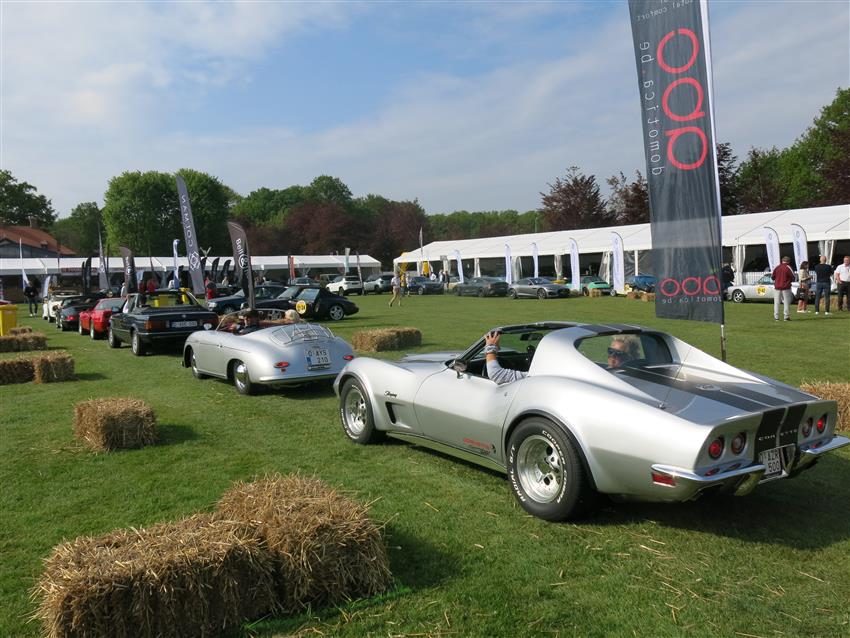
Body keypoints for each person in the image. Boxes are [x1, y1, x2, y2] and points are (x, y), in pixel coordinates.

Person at [771, 256, 795, 322]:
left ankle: (776, 317)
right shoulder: (788, 267)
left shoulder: (777, 267)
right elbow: (793, 277)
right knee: (786, 302)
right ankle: (786, 317)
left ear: (782, 261)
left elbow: (772, 277)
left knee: (776, 302)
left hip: (777, 287)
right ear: (788, 261)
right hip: (786, 287)